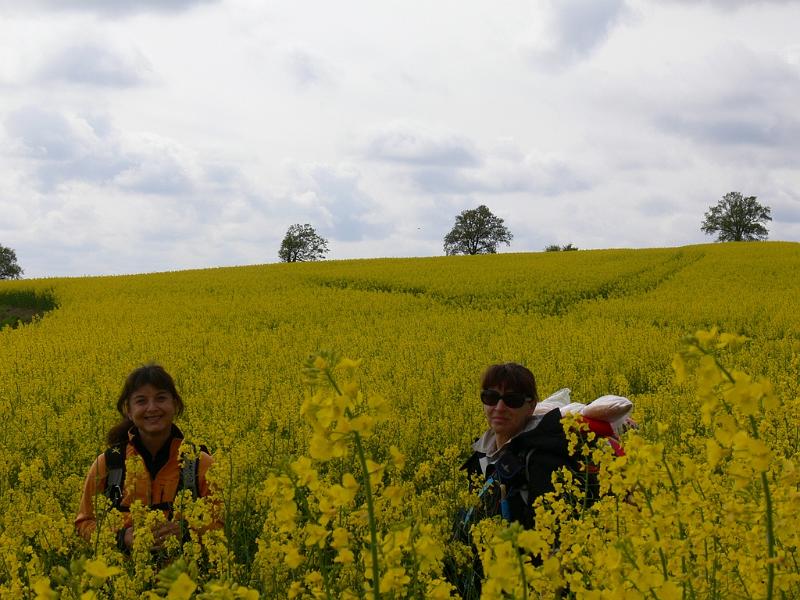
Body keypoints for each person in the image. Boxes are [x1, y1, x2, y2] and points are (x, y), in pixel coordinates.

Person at [75, 364, 217, 553]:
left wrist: (186, 532)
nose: (152, 408)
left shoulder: (200, 463)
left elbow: (222, 523)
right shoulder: (109, 464)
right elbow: (83, 523)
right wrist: (120, 539)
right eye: (141, 401)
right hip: (122, 574)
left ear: (175, 404)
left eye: (161, 398)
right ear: (128, 410)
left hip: (186, 578)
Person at [460, 362, 588, 529]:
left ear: (532, 405)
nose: (499, 408)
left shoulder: (542, 460)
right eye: (490, 397)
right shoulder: (481, 456)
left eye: (512, 400)